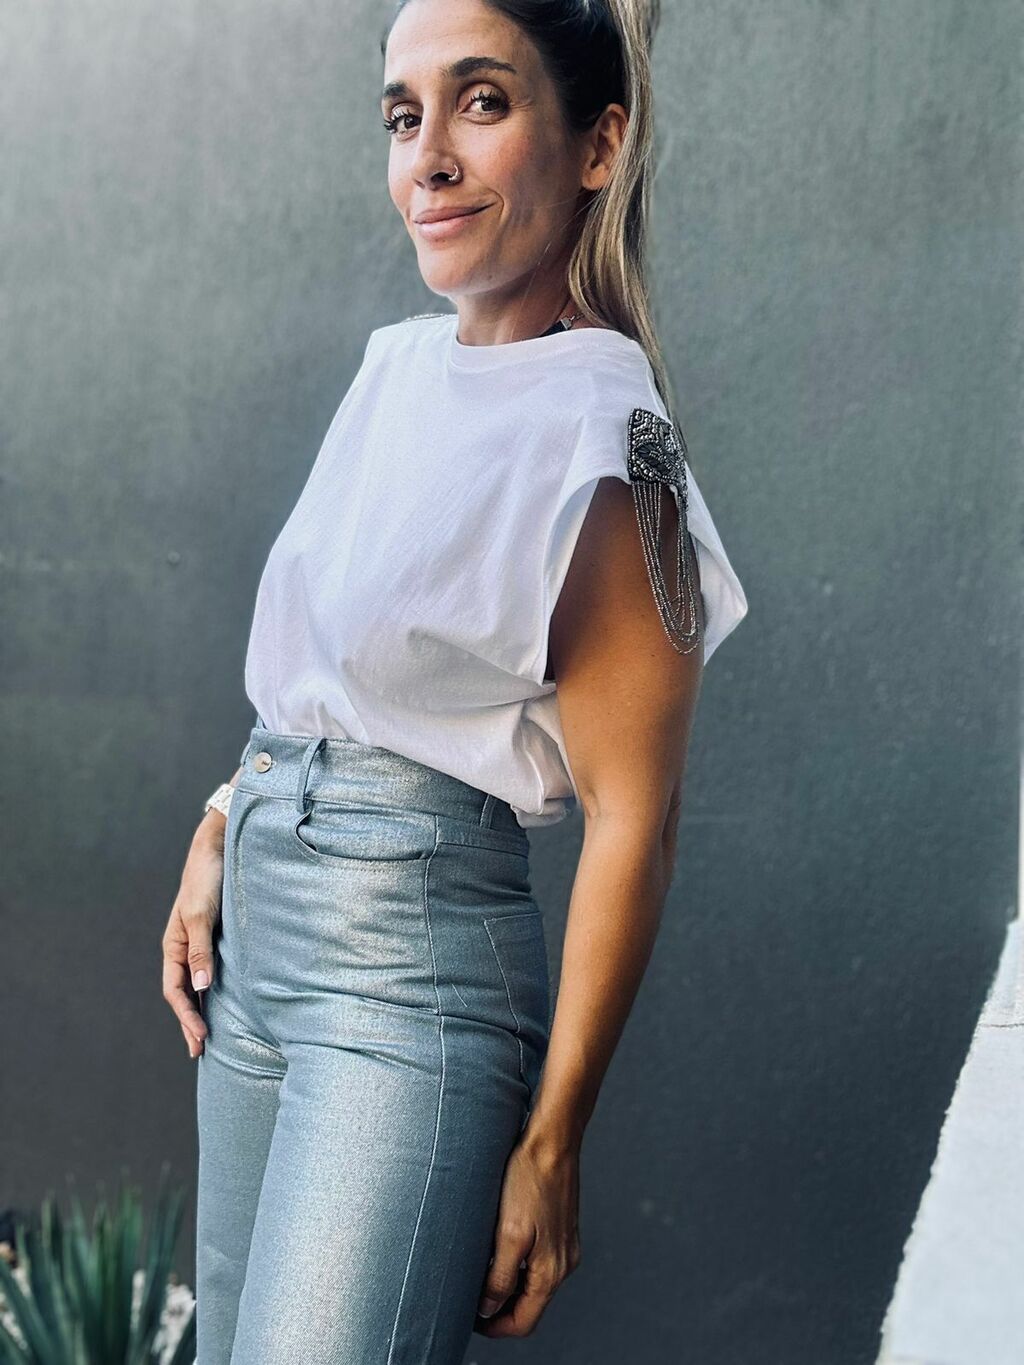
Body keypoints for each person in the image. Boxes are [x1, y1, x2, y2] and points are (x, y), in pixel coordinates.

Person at [161, 0, 749, 1360]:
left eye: (480, 103)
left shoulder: (611, 441)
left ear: (598, 144)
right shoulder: (395, 367)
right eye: (401, 114)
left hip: (406, 983)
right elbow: (338, 669)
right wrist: (226, 816)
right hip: (256, 943)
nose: (426, 156)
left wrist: (554, 1140)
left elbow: (637, 820)